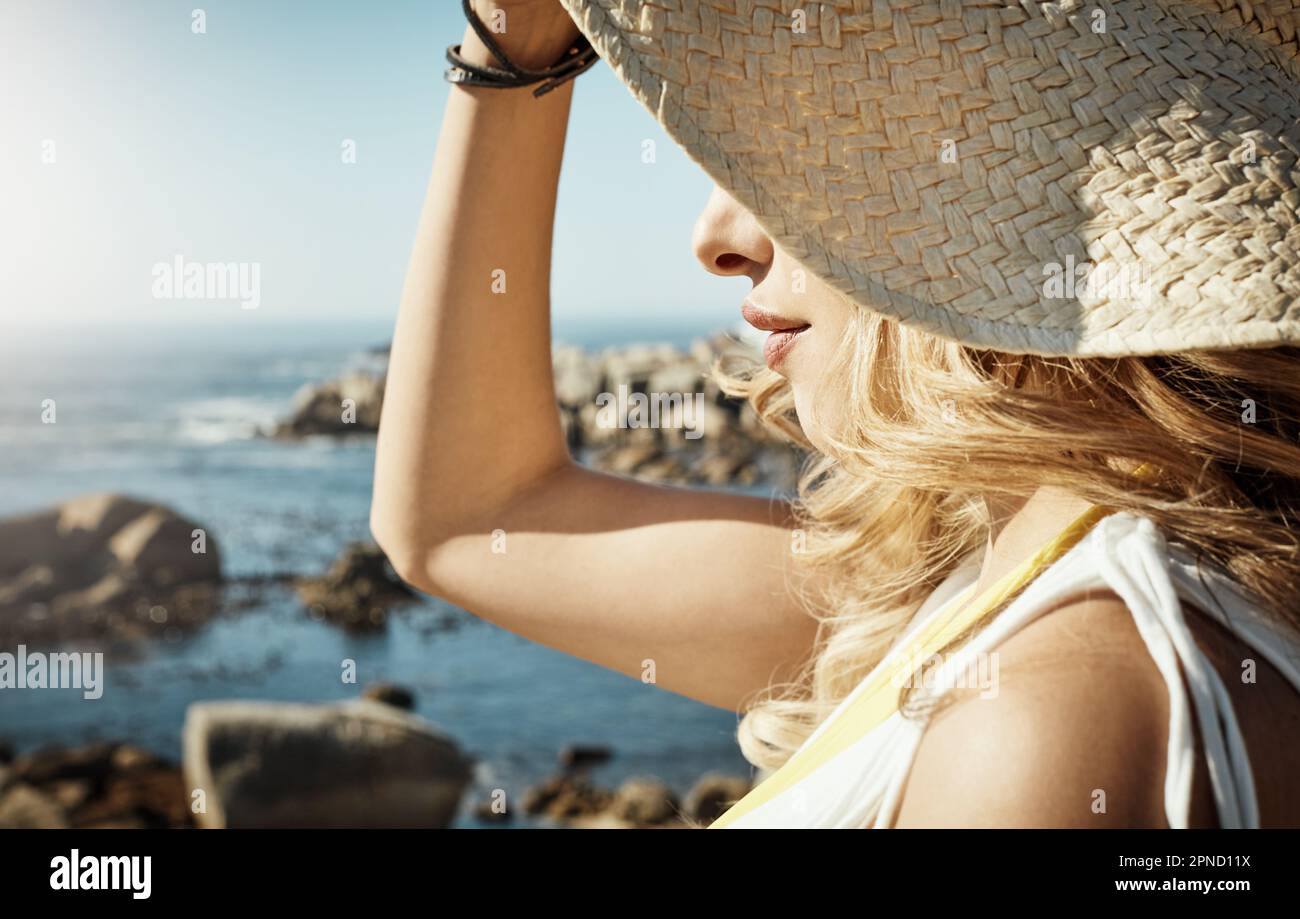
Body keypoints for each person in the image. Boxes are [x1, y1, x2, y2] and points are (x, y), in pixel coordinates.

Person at [371, 0, 1300, 827]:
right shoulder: (981, 575)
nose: (716, 239)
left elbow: (472, 517)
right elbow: (469, 518)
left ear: (1013, 209)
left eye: (801, 165)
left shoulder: (1059, 710)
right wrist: (514, 47)